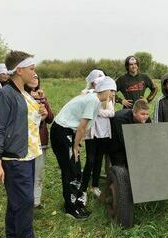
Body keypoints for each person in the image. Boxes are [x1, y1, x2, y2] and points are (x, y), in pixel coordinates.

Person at [0, 50, 46, 237]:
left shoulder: (25, 93)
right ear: (19, 70)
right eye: (31, 68)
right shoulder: (4, 95)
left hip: (29, 155)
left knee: (17, 204)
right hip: (15, 159)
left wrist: (41, 114)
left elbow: (26, 122)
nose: (34, 72)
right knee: (24, 205)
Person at [50, 77, 117, 219]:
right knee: (71, 170)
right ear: (104, 89)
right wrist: (75, 145)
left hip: (68, 132)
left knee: (75, 170)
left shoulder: (96, 100)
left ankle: (74, 203)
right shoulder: (93, 100)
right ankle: (70, 208)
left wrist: (77, 144)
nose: (113, 95)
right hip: (62, 131)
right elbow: (81, 127)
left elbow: (83, 127)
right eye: (111, 91)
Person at [81, 76, 115, 206]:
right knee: (90, 160)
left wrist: (97, 111)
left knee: (99, 159)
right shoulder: (89, 95)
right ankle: (83, 189)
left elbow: (111, 113)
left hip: (104, 133)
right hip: (92, 134)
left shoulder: (109, 98)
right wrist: (100, 111)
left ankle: (94, 186)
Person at [25, 74, 54, 208]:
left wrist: (43, 101)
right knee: (26, 173)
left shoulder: (42, 96)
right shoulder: (22, 96)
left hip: (41, 139)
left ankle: (36, 201)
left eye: (36, 77)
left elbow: (50, 118)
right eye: (31, 76)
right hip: (26, 140)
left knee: (39, 171)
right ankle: (26, 199)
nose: (34, 78)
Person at [109, 99, 151, 167]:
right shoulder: (120, 119)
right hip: (116, 143)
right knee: (120, 168)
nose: (145, 116)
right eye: (142, 114)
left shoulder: (146, 119)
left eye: (147, 114)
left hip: (132, 140)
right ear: (134, 113)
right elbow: (122, 139)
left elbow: (148, 135)